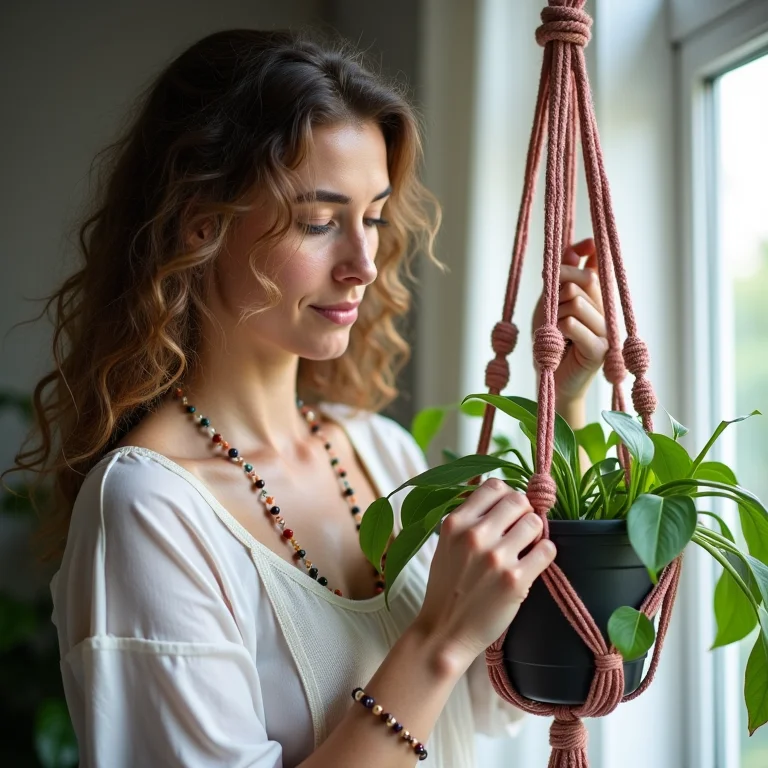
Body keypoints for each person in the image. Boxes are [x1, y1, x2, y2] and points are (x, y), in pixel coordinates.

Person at [10, 28, 609, 768]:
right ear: (202, 225)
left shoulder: (379, 449)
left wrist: (568, 402)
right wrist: (436, 641)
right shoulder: (149, 510)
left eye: (375, 217)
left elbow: (499, 697)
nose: (363, 264)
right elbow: (448, 663)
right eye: (320, 222)